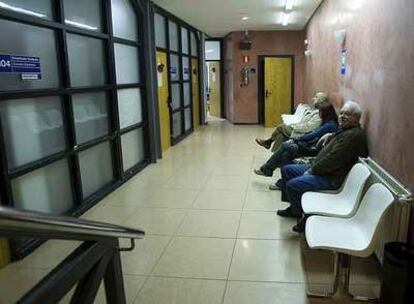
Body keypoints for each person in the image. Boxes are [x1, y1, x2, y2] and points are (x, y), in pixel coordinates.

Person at [276, 101, 368, 233]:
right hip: (321, 169)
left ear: (356, 118)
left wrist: (312, 170)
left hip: (331, 177)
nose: (342, 116)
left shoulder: (353, 136)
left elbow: (332, 160)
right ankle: (294, 208)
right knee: (287, 169)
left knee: (292, 185)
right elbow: (334, 147)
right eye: (341, 113)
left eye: (347, 114)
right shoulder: (346, 130)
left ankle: (303, 216)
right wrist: (330, 135)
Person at [254, 103, 338, 178]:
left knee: (286, 145)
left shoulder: (329, 125)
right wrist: (297, 140)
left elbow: (313, 135)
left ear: (326, 113)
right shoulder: (327, 122)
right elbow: (312, 133)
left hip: (314, 150)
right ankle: (280, 181)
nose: (319, 113)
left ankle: (267, 169)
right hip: (312, 146)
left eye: (320, 112)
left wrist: (295, 139)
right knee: (286, 154)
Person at [255, 92, 328, 152]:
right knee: (281, 135)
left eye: (316, 97)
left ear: (320, 101)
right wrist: (295, 125)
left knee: (281, 127)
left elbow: (308, 128)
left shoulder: (319, 115)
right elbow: (304, 122)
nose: (313, 99)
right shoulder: (315, 111)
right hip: (299, 129)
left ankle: (269, 142)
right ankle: (276, 155)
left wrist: (295, 127)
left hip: (302, 133)